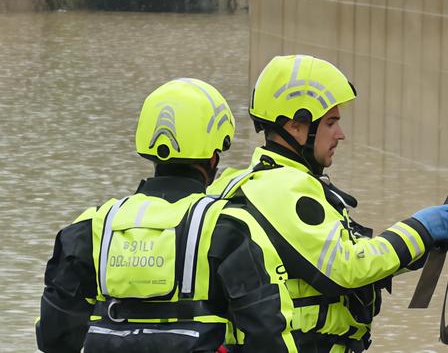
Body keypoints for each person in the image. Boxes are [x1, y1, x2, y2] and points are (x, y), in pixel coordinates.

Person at [207, 55, 448, 352]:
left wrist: (416, 248)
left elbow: (334, 259)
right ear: (296, 127)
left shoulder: (250, 182)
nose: (341, 135)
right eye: (331, 123)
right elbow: (346, 268)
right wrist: (418, 230)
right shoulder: (283, 189)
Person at [37, 78, 297, 353]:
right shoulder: (228, 229)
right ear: (213, 158)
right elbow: (269, 337)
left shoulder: (91, 228)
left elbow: (54, 337)